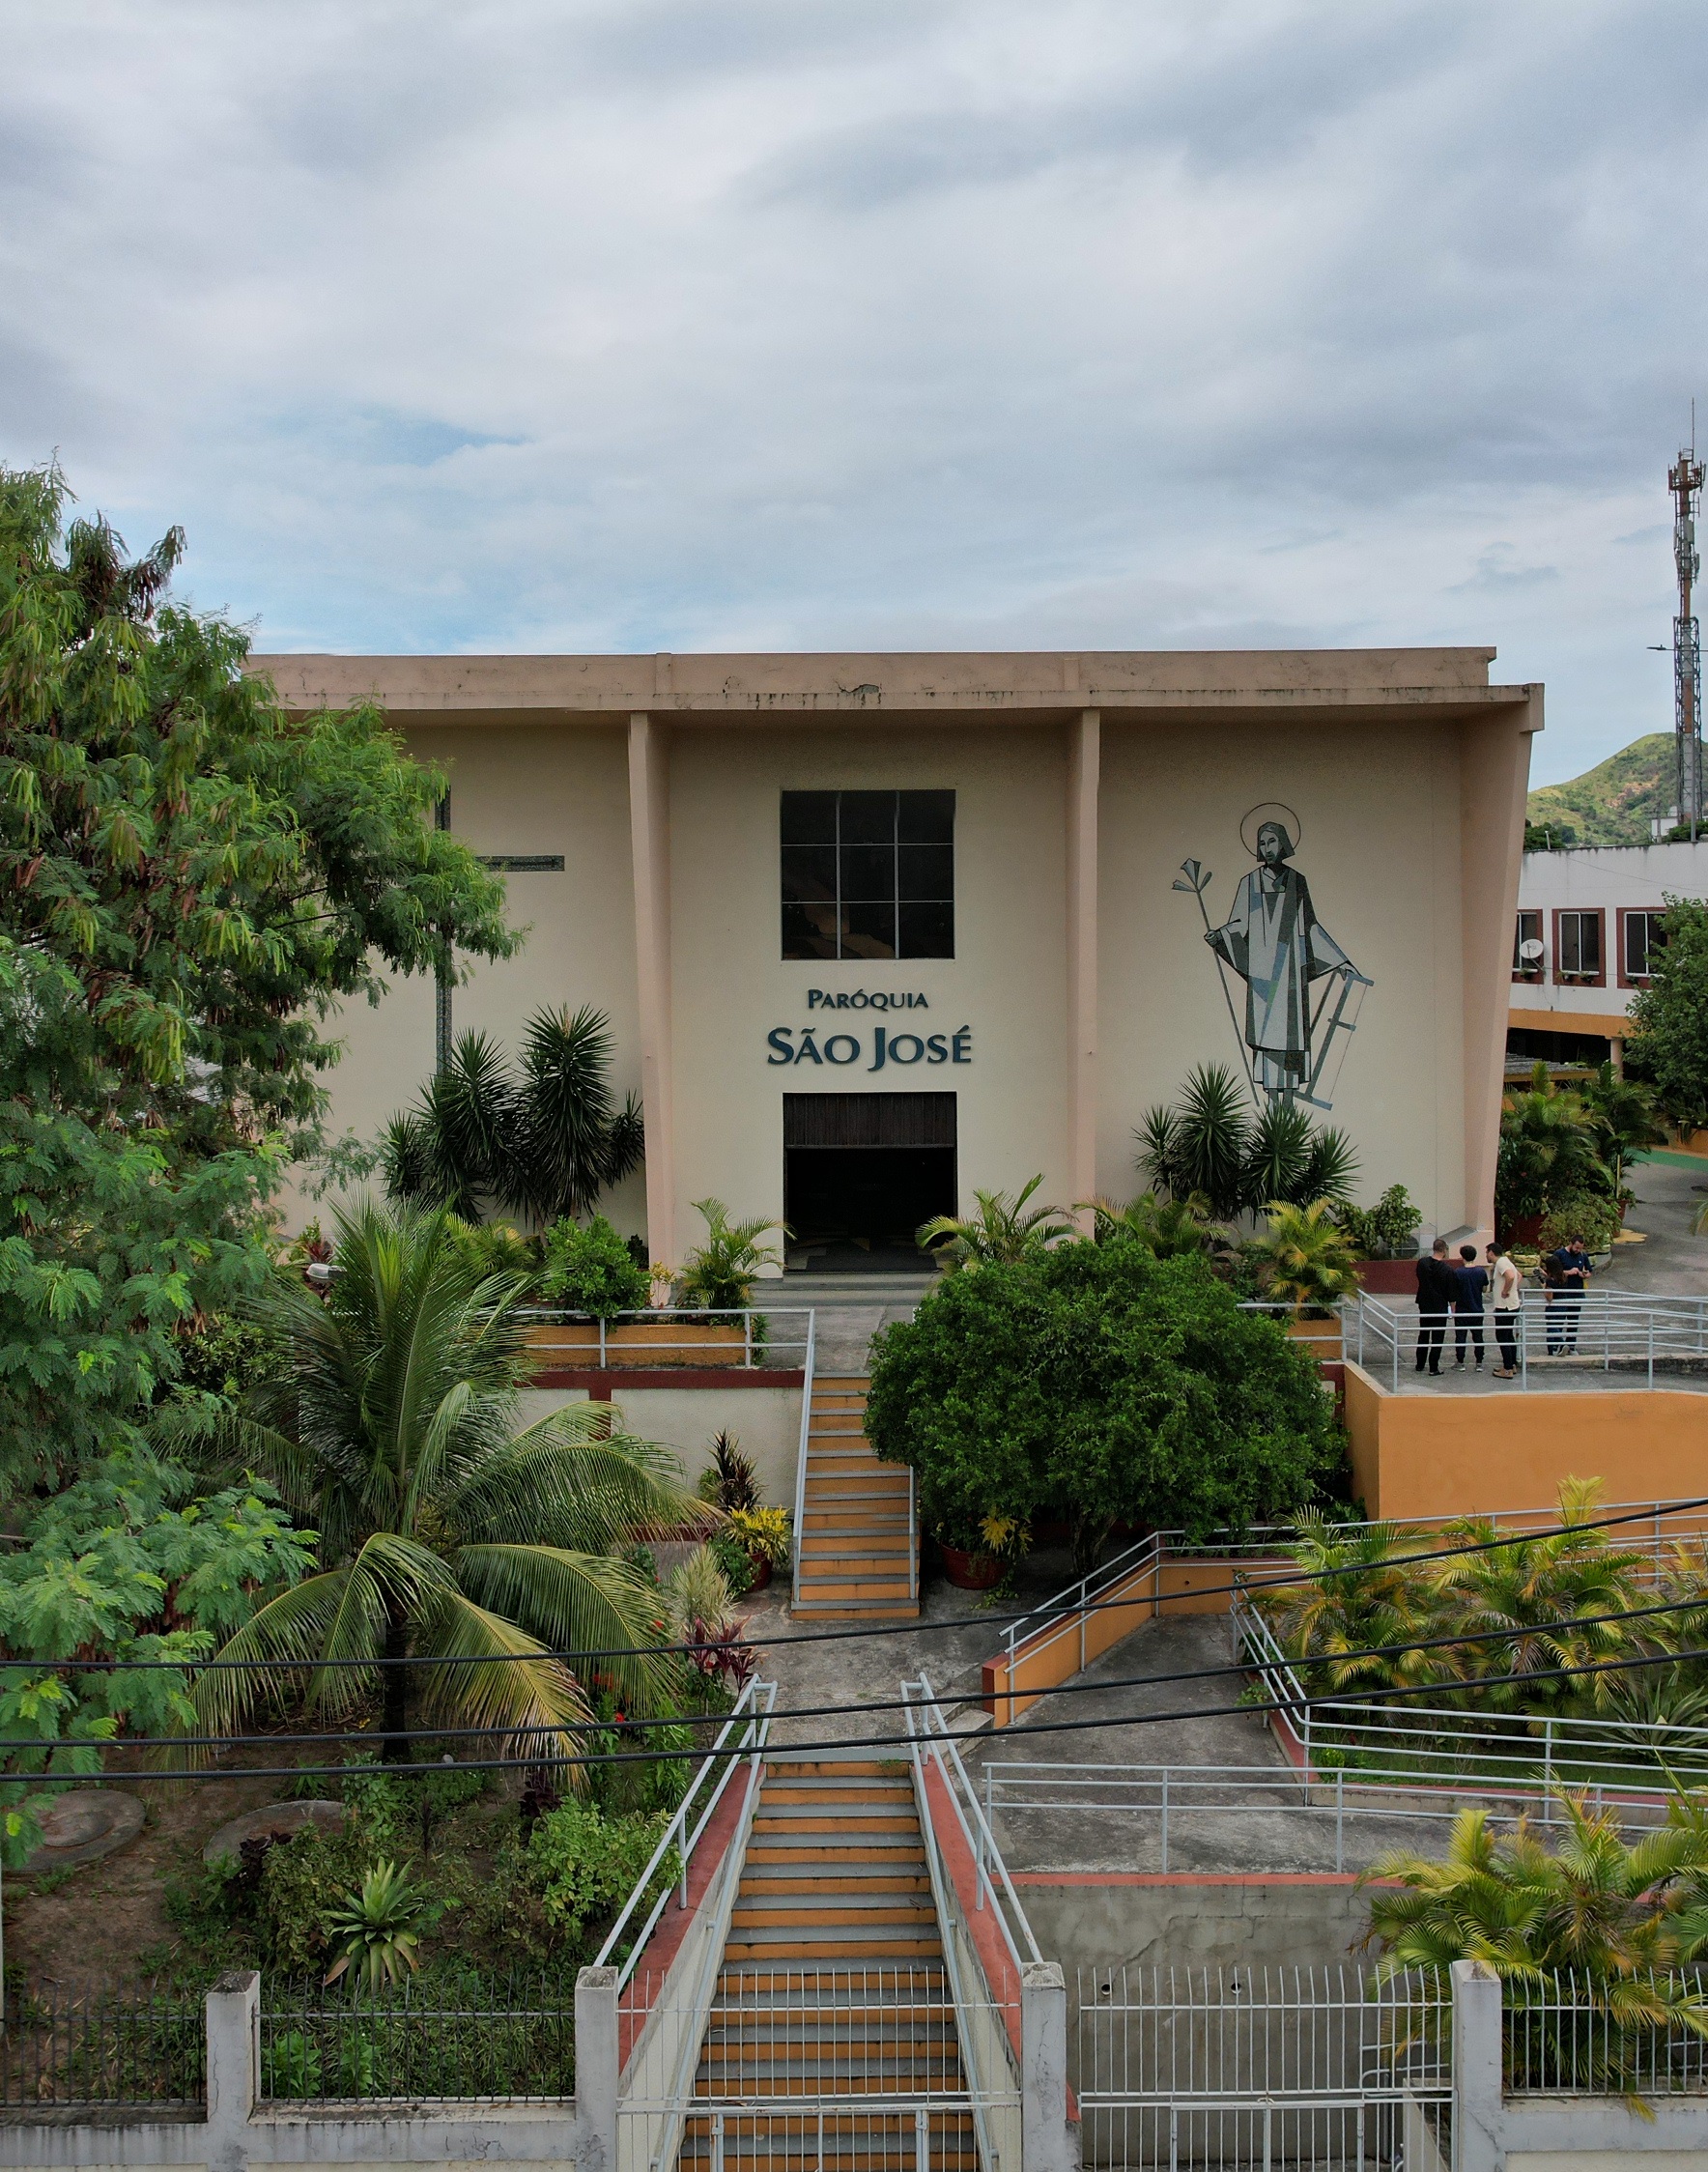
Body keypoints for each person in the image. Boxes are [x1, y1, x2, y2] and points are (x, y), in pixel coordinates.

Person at [1205, 819, 1357, 1097]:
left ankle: (1287, 1111)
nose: (1267, 848)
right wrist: (1220, 937)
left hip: (1289, 973)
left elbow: (1310, 926)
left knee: (1290, 1039)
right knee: (1268, 1041)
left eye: (1272, 841)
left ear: (1283, 843)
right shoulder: (1248, 883)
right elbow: (1238, 926)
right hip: (1263, 976)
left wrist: (1339, 960)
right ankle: (1271, 1114)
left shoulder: (1297, 881)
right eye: (1262, 844)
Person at [1543, 1234, 1592, 1353]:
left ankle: (1570, 1346)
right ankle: (1556, 1346)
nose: (1578, 1250)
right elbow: (1553, 1271)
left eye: (1580, 1248)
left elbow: (1590, 1271)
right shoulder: (1560, 1254)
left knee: (1573, 1320)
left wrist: (1584, 1274)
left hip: (1577, 1291)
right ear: (1571, 1243)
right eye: (1576, 1247)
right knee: (1558, 1320)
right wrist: (1568, 1272)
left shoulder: (1582, 1255)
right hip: (1563, 1291)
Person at [1414, 1238, 1454, 1375]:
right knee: (1437, 1337)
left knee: (1423, 1334)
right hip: (1439, 1306)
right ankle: (1433, 1367)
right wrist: (1453, 1310)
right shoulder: (1447, 1270)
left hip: (1424, 1303)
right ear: (1443, 1250)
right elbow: (1451, 1293)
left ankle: (1420, 1364)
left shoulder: (1422, 1263)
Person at [1451, 1243, 1488, 1369]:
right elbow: (1484, 1288)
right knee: (1478, 1336)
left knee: (1460, 1336)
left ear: (1463, 1256)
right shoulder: (1481, 1271)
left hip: (1462, 1309)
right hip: (1477, 1308)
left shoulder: (1458, 1272)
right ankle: (1479, 1362)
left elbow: (1454, 1291)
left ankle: (1460, 1362)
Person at [1489, 1242, 1523, 1378]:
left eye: (1487, 1253)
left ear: (1491, 1252)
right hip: (1512, 1304)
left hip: (1505, 1306)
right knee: (1508, 1335)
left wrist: (1505, 1290)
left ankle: (1507, 1369)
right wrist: (1512, 1289)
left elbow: (1511, 1276)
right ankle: (1511, 1364)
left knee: (1502, 1336)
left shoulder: (1501, 1263)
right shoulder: (1507, 1261)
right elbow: (1518, 1276)